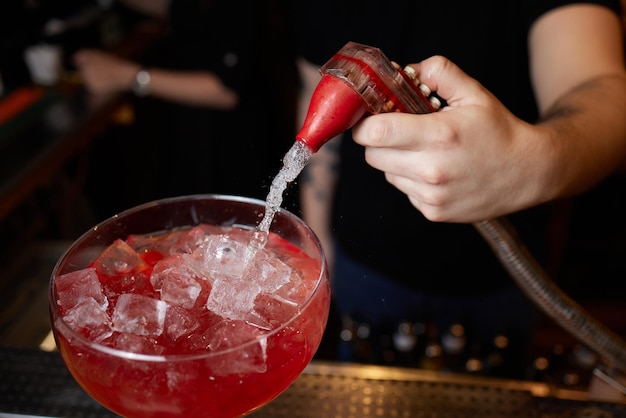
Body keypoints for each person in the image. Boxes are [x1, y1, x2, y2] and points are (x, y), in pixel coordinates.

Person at [292, 1, 626, 377]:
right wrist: (318, 255)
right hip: (361, 267)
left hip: (495, 284)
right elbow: (315, 87)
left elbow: (605, 90)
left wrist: (534, 161)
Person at [73, 0, 299, 217]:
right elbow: (176, 7)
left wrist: (126, 75)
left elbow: (225, 90)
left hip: (234, 147)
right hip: (192, 136)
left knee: (233, 229)